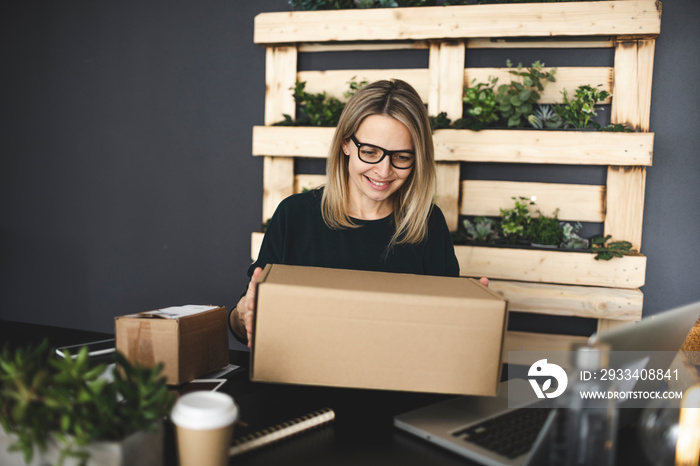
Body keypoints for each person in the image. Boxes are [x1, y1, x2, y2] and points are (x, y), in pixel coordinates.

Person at [229, 79, 487, 347]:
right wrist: (243, 313)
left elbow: (442, 333)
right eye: (370, 152)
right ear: (346, 145)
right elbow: (242, 327)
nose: (384, 171)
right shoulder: (294, 216)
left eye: (401, 157)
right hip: (302, 383)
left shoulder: (427, 223)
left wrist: (469, 319)